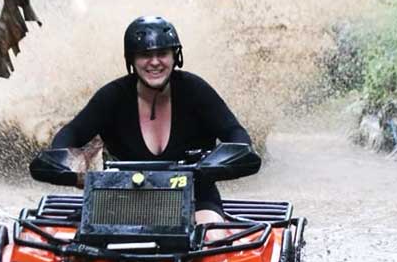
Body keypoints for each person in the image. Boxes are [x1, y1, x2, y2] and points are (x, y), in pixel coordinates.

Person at [35, 16, 256, 225]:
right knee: (68, 242)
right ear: (131, 59)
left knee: (211, 237)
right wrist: (66, 164)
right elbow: (72, 133)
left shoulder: (196, 91)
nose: (155, 62)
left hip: (195, 197)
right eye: (144, 55)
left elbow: (235, 133)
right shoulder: (112, 96)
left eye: (162, 53)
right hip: (121, 197)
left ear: (175, 56)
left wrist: (218, 163)